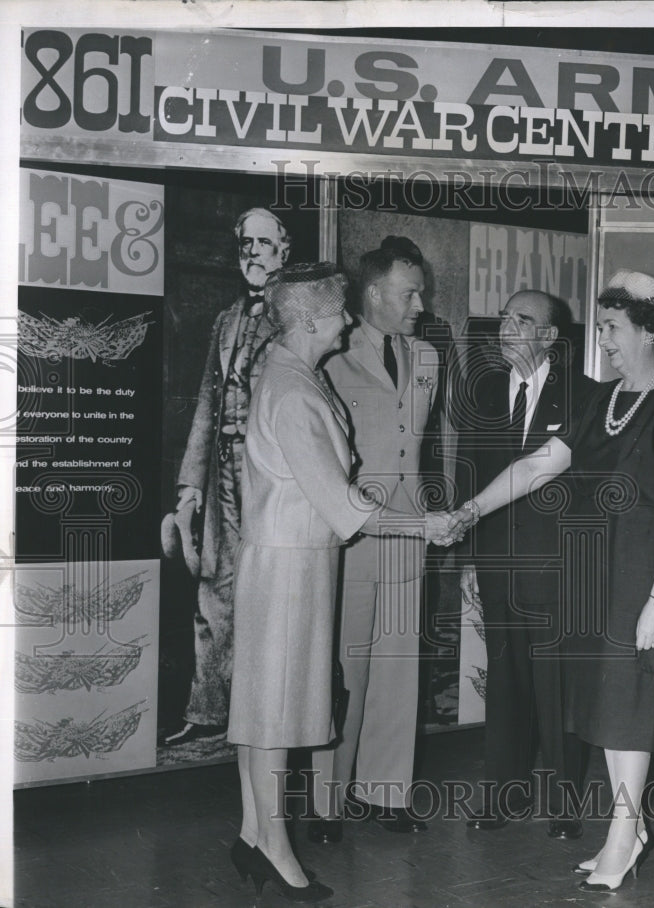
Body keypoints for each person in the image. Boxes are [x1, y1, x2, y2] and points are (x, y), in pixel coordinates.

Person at [450, 270, 654, 892]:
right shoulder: (604, 401)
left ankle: (624, 832)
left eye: (614, 330)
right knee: (609, 710)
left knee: (633, 708)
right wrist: (471, 510)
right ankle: (629, 826)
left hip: (639, 577)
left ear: (647, 333)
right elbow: (539, 465)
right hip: (595, 576)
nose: (605, 342)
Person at [227, 262, 454, 902]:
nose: (350, 321)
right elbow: (344, 505)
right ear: (311, 321)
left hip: (291, 558)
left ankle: (252, 834)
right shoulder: (293, 391)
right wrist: (426, 526)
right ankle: (275, 851)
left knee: (263, 711)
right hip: (290, 565)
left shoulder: (288, 371)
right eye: (340, 312)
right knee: (276, 716)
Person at [308, 236, 440, 840]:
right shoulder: (331, 359)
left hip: (409, 534)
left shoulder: (429, 359)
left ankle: (386, 792)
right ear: (373, 292)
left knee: (398, 664)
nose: (420, 303)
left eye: (421, 291)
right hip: (354, 536)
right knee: (346, 666)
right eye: (409, 291)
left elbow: (430, 450)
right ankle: (326, 802)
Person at [454, 290, 594, 838]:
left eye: (523, 320)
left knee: (557, 685)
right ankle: (503, 795)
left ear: (550, 338)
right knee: (505, 680)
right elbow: (470, 474)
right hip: (495, 562)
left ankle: (565, 804)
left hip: (556, 564)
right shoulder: (483, 393)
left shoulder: (583, 396)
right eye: (506, 318)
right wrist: (469, 556)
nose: (507, 328)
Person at [164, 207, 290, 746]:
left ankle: (260, 715)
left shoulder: (298, 314)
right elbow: (206, 406)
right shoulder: (226, 318)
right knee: (213, 587)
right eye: (245, 245)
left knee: (269, 592)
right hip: (222, 473)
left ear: (285, 249)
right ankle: (209, 710)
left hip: (275, 474)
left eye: (264, 243)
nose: (253, 253)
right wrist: (190, 489)